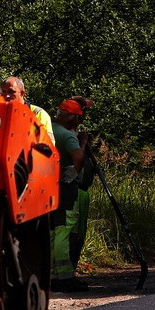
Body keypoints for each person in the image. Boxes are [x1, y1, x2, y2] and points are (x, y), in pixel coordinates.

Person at [50, 97, 93, 292]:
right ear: (71, 118)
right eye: (78, 117)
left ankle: (51, 274)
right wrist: (82, 143)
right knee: (64, 230)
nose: (80, 121)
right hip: (66, 188)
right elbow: (78, 157)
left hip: (50, 186)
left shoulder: (48, 128)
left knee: (53, 230)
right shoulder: (67, 136)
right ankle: (65, 276)